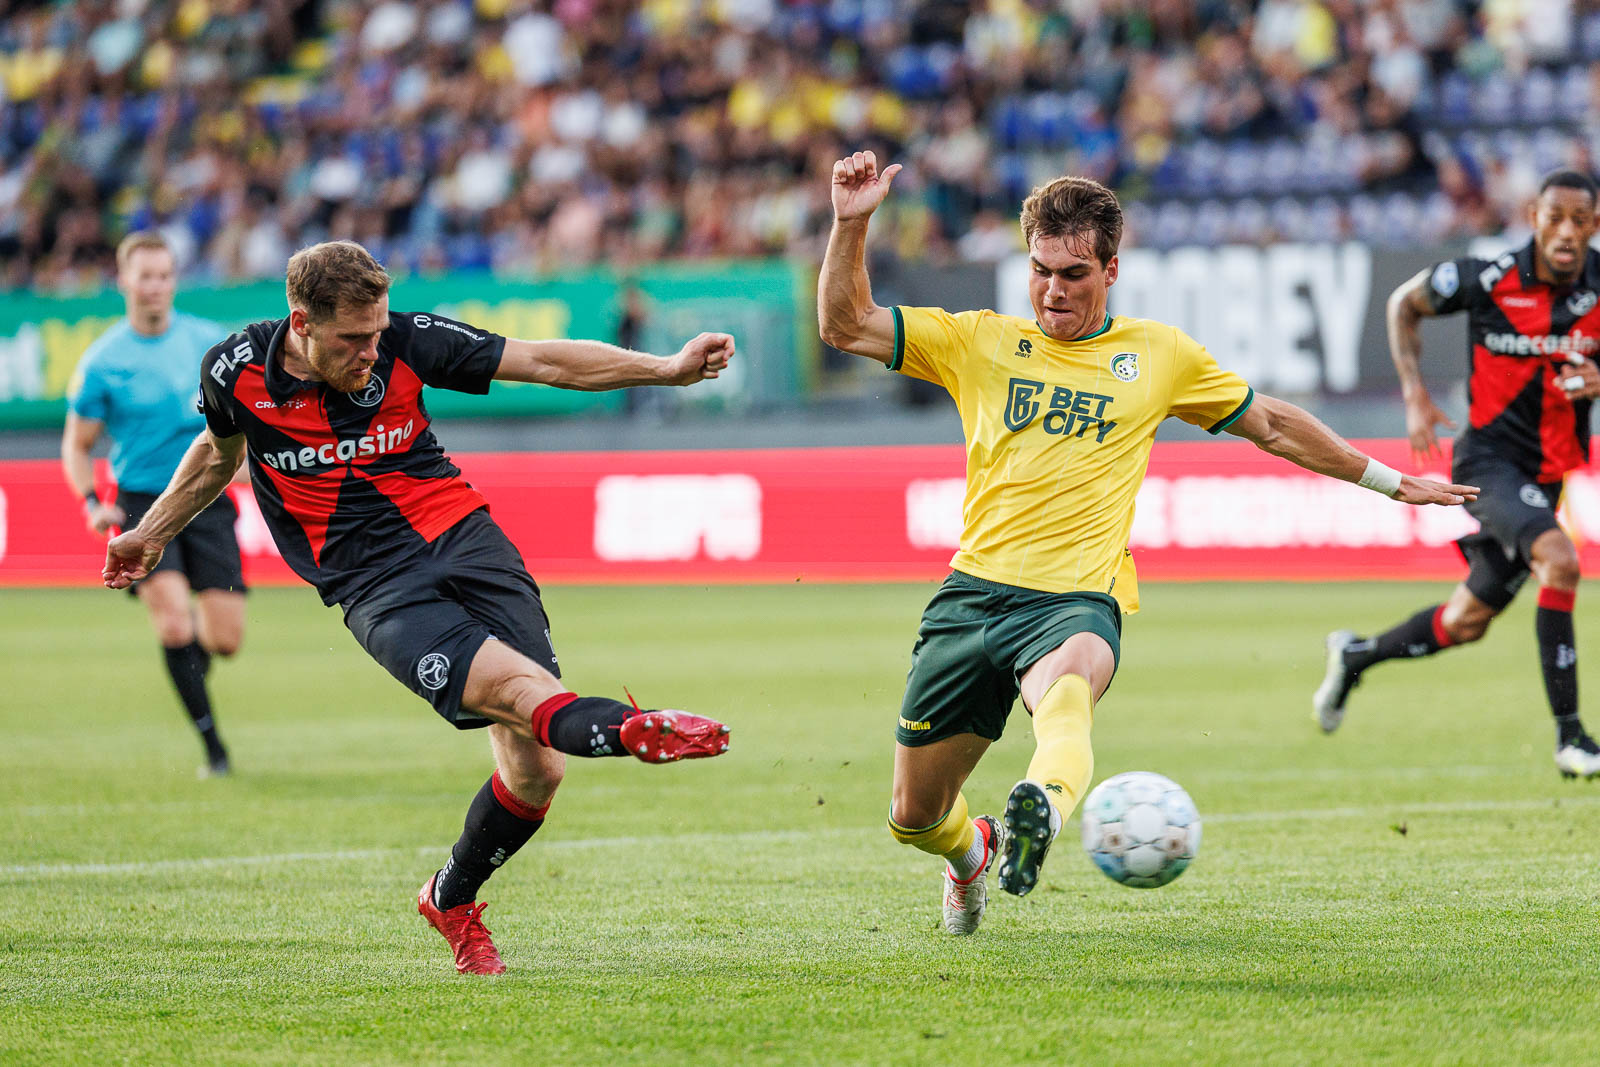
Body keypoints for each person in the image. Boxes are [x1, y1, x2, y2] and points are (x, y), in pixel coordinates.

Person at [817, 150, 1477, 936]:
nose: (1053, 290)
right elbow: (844, 323)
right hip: (969, 597)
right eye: (1041, 271)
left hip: (1076, 599)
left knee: (1064, 697)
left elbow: (1271, 423)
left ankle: (1044, 812)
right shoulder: (978, 341)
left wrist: (1391, 482)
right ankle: (974, 853)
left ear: (1112, 269)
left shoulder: (1158, 356)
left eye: (1073, 274)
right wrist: (849, 226)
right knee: (913, 815)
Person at [102, 241, 734, 975]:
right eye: (353, 338)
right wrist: (150, 533)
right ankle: (628, 729)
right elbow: (218, 454)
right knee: (522, 695)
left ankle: (449, 895)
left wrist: (664, 368)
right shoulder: (234, 370)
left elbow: (543, 362)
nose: (373, 349)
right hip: (374, 585)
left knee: (538, 772)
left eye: (378, 332)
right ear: (300, 320)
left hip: (466, 540)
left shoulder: (403, 338)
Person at [1313, 169, 1600, 780]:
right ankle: (1572, 738)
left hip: (1546, 474)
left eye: (1581, 220)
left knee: (1466, 621)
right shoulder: (1485, 278)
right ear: (1533, 217)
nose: (1567, 232)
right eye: (1556, 218)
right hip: (1487, 463)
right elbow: (1402, 305)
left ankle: (1356, 655)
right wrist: (1414, 395)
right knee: (1561, 559)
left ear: (1595, 225)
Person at [62, 230, 243, 777]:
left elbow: (243, 421)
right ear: (124, 281)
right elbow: (77, 443)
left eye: (164, 275)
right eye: (145, 276)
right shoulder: (102, 361)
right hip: (142, 502)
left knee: (225, 639)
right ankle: (214, 750)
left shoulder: (209, 344)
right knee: (172, 625)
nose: (156, 286)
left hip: (208, 498)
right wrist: (92, 500)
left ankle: (191, 678)